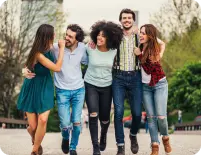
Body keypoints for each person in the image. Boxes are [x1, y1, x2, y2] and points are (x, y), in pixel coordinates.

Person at [23, 24, 88, 155]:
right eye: (66, 34)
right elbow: (32, 60)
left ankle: (72, 148)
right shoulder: (55, 48)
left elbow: (90, 62)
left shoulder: (82, 48)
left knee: (75, 122)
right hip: (60, 89)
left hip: (77, 89)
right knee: (62, 124)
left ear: (77, 40)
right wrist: (24, 70)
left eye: (70, 36)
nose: (66, 37)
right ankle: (62, 138)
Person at [112, 8, 166, 155]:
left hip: (135, 77)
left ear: (133, 20)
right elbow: (100, 38)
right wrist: (92, 41)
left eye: (129, 18)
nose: (127, 20)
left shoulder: (140, 36)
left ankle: (133, 135)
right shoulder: (115, 35)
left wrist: (140, 34)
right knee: (118, 112)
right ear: (120, 20)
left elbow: (158, 41)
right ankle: (121, 146)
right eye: (124, 18)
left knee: (137, 114)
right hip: (118, 77)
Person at [18, 24, 65, 155]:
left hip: (46, 86)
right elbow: (56, 68)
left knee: (43, 120)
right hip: (32, 87)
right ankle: (35, 139)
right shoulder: (37, 53)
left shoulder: (51, 47)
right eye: (52, 34)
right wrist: (62, 50)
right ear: (46, 36)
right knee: (33, 127)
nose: (55, 36)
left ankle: (34, 150)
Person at [84, 21, 123, 155]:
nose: (100, 38)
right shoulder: (89, 47)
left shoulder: (114, 51)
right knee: (93, 114)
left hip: (107, 86)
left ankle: (104, 134)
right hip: (91, 84)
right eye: (98, 35)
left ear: (110, 38)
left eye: (103, 36)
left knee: (105, 118)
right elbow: (76, 53)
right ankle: (95, 146)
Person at [134, 24, 172, 155]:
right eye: (140, 33)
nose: (141, 35)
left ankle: (165, 137)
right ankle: (155, 145)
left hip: (159, 84)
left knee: (161, 116)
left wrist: (140, 55)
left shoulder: (153, 48)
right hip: (145, 87)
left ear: (150, 35)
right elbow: (163, 43)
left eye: (144, 33)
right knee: (151, 117)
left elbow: (149, 67)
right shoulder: (140, 46)